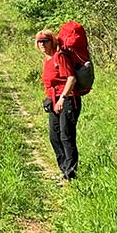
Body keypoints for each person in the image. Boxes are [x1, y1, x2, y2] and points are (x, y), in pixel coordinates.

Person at [35, 29, 81, 181]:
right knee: (54, 136)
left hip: (68, 100)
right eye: (40, 41)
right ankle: (63, 169)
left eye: (45, 41)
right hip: (54, 101)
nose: (42, 44)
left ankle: (70, 173)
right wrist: (48, 98)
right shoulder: (47, 59)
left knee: (66, 135)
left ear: (52, 42)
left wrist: (62, 98)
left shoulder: (59, 56)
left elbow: (71, 79)